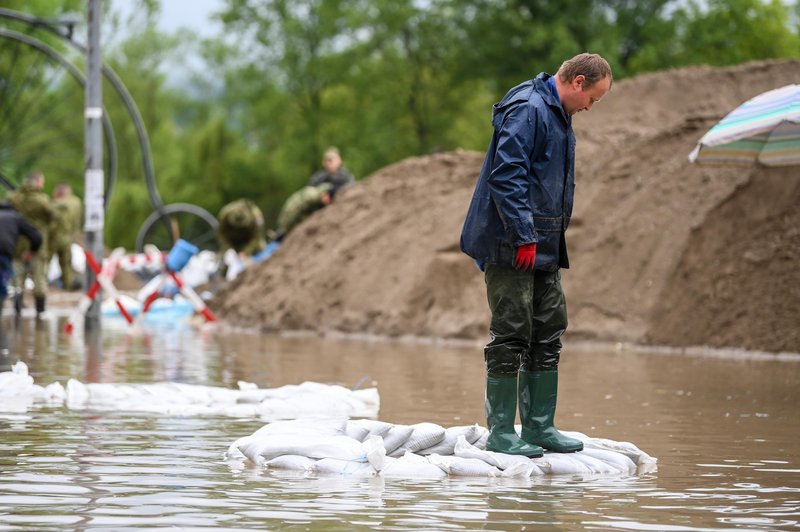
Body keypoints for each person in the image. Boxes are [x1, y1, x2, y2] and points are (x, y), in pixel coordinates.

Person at [460, 53, 613, 457]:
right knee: (512, 331)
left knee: (549, 328)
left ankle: (540, 426)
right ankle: (500, 433)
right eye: (593, 99)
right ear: (578, 82)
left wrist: (540, 238)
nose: (590, 107)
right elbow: (506, 174)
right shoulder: (528, 108)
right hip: (510, 242)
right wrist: (524, 234)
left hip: (543, 243)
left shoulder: (560, 113)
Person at [9, 172, 54, 317]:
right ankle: (40, 313)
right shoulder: (42, 200)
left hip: (17, 245)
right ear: (38, 182)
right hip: (38, 245)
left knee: (17, 280)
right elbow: (52, 217)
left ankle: (17, 312)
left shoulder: (13, 198)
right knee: (39, 280)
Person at [0, 200, 43, 317]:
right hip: (4, 252)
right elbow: (37, 237)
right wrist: (31, 252)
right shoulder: (15, 217)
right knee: (4, 282)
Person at [49, 182, 83, 291]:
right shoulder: (76, 202)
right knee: (66, 263)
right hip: (68, 238)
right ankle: (68, 286)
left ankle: (42, 286)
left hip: (54, 238)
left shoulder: (55, 204)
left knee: (44, 261)